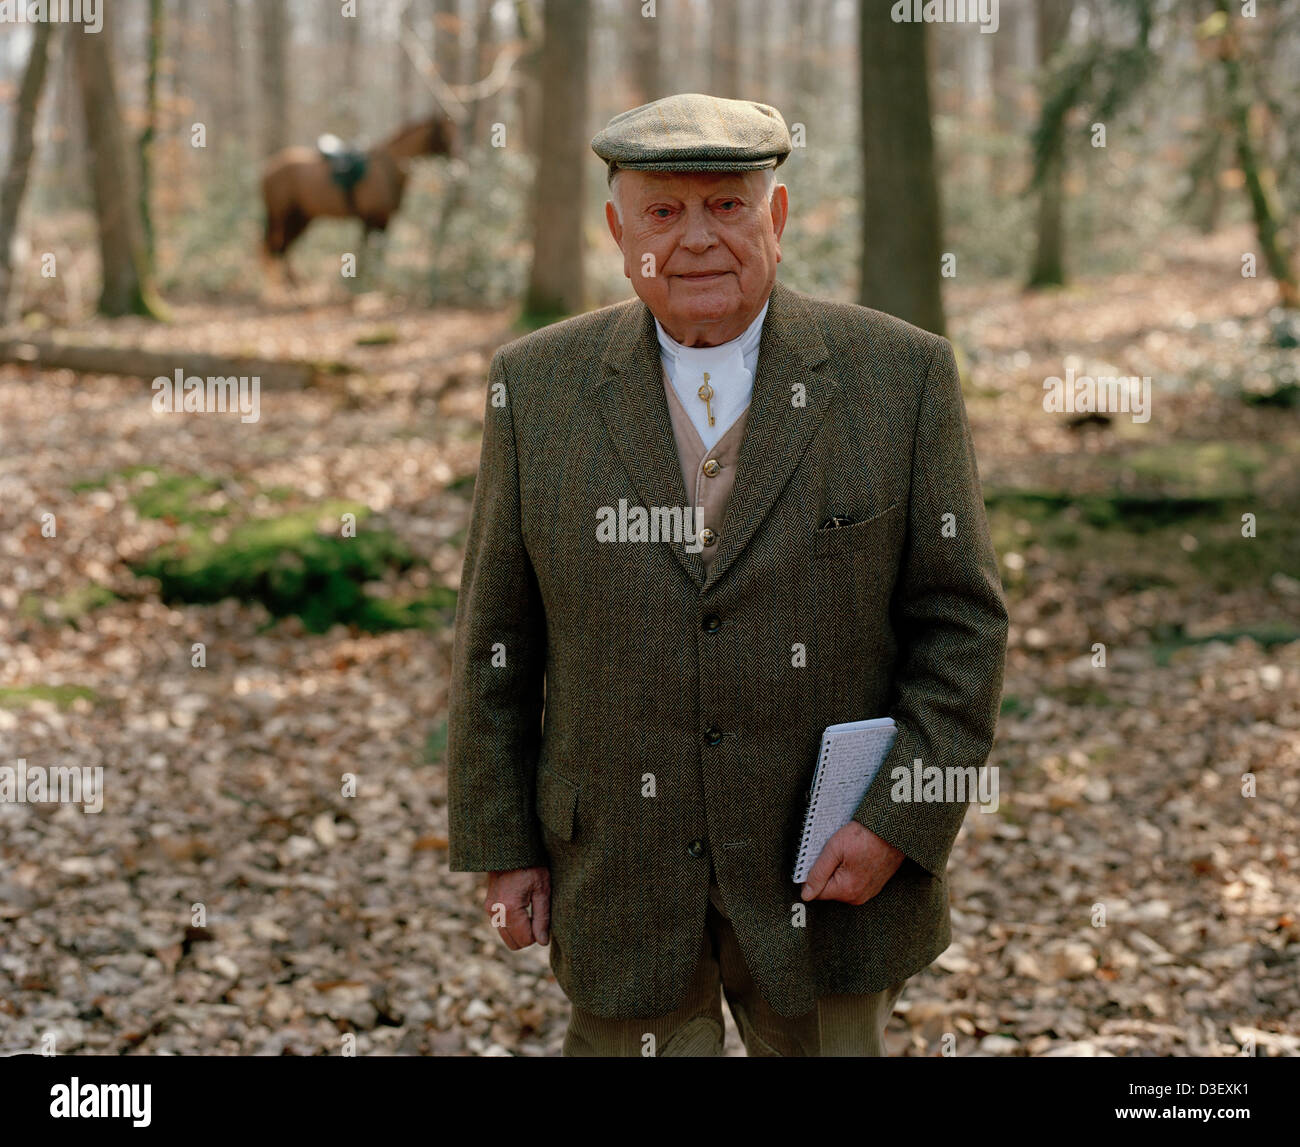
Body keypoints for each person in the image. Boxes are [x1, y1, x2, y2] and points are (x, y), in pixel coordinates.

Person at [448, 93, 1008, 1057]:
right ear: (619, 234)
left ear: (777, 219)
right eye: (664, 212)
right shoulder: (535, 387)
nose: (698, 238)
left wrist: (898, 817)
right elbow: (497, 636)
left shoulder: (901, 377)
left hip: (831, 877)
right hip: (618, 876)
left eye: (728, 206)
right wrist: (503, 845)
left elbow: (963, 625)